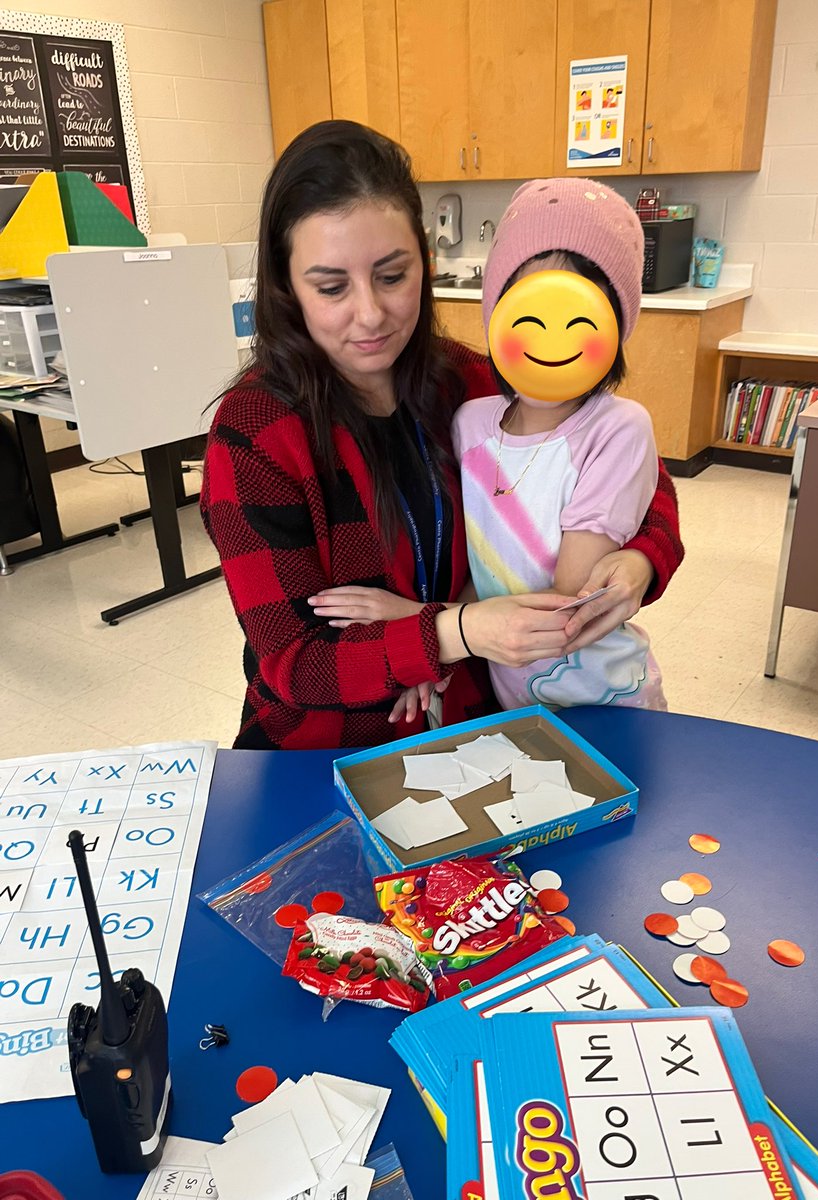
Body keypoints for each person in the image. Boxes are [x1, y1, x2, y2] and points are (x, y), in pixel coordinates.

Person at [200, 121, 682, 750]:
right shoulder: (256, 433)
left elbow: (629, 467)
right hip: (329, 747)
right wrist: (459, 633)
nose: (370, 314)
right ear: (286, 286)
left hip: (486, 721)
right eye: (331, 287)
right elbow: (297, 662)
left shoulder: (477, 381)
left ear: (424, 263)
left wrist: (645, 557)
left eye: (392, 276)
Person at [452, 178, 666, 711]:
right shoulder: (470, 425)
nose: (552, 339)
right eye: (530, 312)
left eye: (576, 317)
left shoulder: (619, 429)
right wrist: (438, 639)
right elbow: (481, 570)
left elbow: (569, 599)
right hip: (514, 702)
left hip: (607, 700)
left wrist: (428, 623)